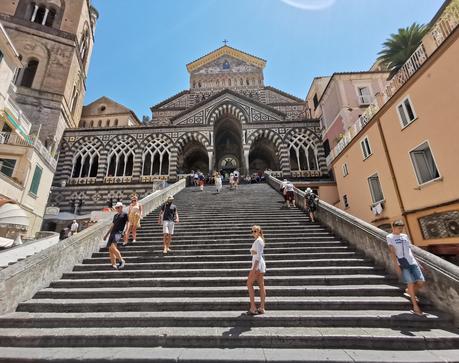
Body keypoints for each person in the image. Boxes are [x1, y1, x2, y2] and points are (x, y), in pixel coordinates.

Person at [387, 220, 425, 316]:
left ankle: (408, 291)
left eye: (402, 228)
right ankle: (416, 307)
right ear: (394, 227)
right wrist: (396, 266)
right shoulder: (390, 237)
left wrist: (417, 262)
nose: (401, 230)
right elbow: (392, 252)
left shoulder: (404, 236)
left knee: (421, 282)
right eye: (399, 228)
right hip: (402, 263)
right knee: (410, 283)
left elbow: (409, 250)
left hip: (412, 261)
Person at [247, 224, 266, 315]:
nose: (253, 233)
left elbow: (258, 256)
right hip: (260, 265)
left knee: (249, 283)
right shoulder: (259, 240)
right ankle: (261, 307)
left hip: (257, 265)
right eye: (252, 231)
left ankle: (253, 307)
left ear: (259, 231)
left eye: (255, 231)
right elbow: (257, 254)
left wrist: (253, 269)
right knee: (261, 285)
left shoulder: (258, 241)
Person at [103, 202, 127, 270]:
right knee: (110, 249)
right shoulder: (115, 215)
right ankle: (114, 264)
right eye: (116, 207)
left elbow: (127, 223)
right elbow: (112, 225)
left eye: (118, 207)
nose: (117, 209)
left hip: (118, 232)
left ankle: (121, 260)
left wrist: (125, 231)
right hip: (112, 233)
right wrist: (106, 234)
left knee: (112, 247)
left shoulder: (125, 214)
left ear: (122, 207)